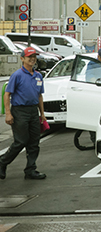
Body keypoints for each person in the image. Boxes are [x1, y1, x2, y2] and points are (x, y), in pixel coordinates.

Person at [0, 47, 47, 180]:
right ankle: (2, 162)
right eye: (29, 57)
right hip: (20, 111)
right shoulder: (17, 75)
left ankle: (30, 170)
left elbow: (39, 96)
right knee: (20, 141)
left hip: (33, 111)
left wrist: (42, 113)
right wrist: (8, 113)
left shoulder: (38, 76)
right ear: (22, 59)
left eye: (34, 57)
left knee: (34, 142)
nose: (32, 59)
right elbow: (7, 94)